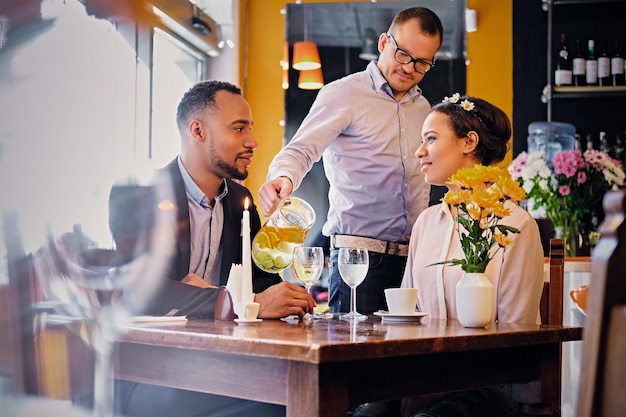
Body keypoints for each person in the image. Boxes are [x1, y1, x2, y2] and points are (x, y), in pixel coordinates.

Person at [111, 80, 315, 417]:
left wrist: (279, 291)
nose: (252, 142)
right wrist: (234, 300)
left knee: (302, 401)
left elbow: (265, 288)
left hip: (223, 367)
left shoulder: (241, 203)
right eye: (239, 129)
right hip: (147, 372)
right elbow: (143, 291)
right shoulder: (136, 196)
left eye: (250, 129)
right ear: (198, 131)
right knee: (285, 407)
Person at [355, 95, 544, 417]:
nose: (419, 152)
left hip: (492, 381)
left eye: (430, 138)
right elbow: (408, 313)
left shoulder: (514, 225)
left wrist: (433, 386)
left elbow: (517, 334)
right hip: (422, 373)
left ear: (469, 142)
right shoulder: (427, 222)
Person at [259, 7, 444, 315]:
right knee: (351, 359)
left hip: (414, 260)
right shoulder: (344, 94)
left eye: (422, 62)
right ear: (384, 42)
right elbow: (301, 149)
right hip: (359, 262)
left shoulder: (424, 109)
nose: (410, 68)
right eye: (403, 54)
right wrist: (283, 177)